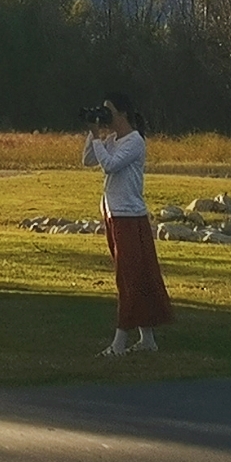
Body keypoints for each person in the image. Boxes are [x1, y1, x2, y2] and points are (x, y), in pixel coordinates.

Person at [80, 93, 172, 355]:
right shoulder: (111, 140)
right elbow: (87, 160)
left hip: (129, 217)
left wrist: (98, 136)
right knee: (136, 276)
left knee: (128, 278)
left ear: (122, 114)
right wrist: (94, 132)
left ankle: (119, 343)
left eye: (108, 111)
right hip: (114, 214)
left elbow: (109, 166)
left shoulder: (134, 142)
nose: (105, 116)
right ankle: (147, 339)